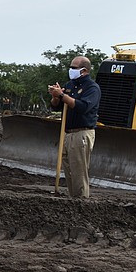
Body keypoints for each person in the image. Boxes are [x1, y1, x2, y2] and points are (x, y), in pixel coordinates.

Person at [48, 55, 101, 198]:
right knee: (68, 168)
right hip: (67, 133)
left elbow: (82, 107)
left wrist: (62, 95)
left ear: (84, 70)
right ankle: (73, 198)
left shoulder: (92, 88)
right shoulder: (70, 85)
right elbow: (56, 107)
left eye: (74, 68)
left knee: (79, 170)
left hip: (82, 133)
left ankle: (81, 199)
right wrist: (55, 96)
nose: (70, 70)